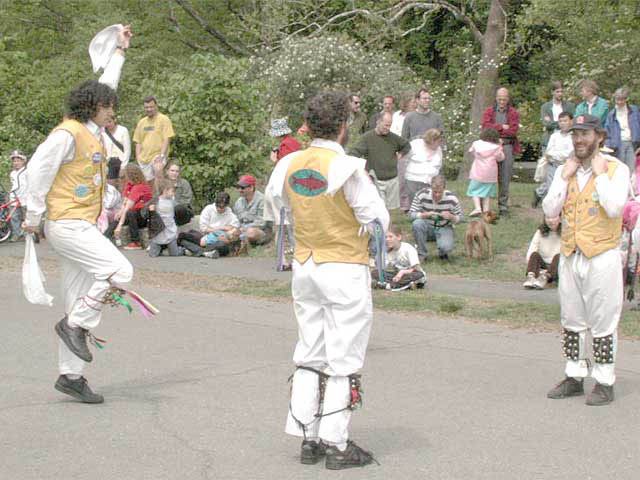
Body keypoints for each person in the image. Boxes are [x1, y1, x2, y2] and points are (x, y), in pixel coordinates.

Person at [266, 91, 389, 469]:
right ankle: (337, 442)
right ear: (342, 126)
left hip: (305, 263)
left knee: (310, 349)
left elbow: (275, 207)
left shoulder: (288, 163)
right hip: (344, 267)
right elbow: (377, 218)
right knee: (344, 355)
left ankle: (308, 437)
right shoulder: (347, 166)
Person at [23, 25, 133, 404]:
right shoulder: (67, 134)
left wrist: (119, 52)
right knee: (121, 272)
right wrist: (33, 215)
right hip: (67, 223)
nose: (113, 111)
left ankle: (71, 375)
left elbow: (108, 84)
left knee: (78, 295)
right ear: (92, 108)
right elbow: (36, 173)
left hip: (82, 223)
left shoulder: (95, 132)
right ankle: (75, 325)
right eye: (108, 107)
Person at [543, 114, 630, 406]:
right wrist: (564, 176)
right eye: (575, 134)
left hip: (602, 253)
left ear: (599, 137)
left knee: (604, 320)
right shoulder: (566, 171)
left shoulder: (616, 169)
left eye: (585, 134)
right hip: (571, 253)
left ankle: (605, 380)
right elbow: (550, 209)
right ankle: (574, 375)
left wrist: (600, 174)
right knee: (572, 318)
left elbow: (615, 207)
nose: (579, 140)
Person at [350, 111, 411, 210]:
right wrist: (362, 170)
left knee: (390, 213)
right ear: (378, 122)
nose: (388, 128)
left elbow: (406, 145)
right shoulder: (367, 138)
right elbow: (354, 154)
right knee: (377, 210)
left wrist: (400, 155)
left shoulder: (393, 138)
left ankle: (389, 226)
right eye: (386, 125)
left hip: (392, 180)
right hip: (375, 181)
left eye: (389, 125)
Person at [481, 87, 521, 215]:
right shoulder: (489, 111)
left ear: (508, 99)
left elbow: (513, 131)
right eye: (500, 99)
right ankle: (484, 206)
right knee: (487, 176)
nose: (502, 101)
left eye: (504, 99)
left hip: (507, 146)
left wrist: (496, 130)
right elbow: (486, 127)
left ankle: (503, 206)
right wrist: (502, 127)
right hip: (490, 146)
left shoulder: (513, 113)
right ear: (496, 98)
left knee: (505, 177)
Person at [410, 175, 462, 262]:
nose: (437, 194)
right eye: (434, 192)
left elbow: (461, 218)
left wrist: (451, 217)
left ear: (444, 189)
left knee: (446, 247)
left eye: (440, 192)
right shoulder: (421, 194)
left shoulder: (452, 198)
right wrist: (423, 215)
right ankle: (422, 254)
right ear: (430, 188)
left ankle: (443, 252)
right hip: (427, 226)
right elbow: (411, 213)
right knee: (417, 224)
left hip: (444, 227)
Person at [178, 191, 240, 258]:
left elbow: (235, 228)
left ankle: (196, 251)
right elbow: (204, 228)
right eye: (218, 206)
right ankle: (204, 252)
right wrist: (221, 228)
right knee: (182, 237)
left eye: (222, 207)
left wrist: (225, 236)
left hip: (219, 240)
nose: (220, 209)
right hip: (204, 236)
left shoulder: (230, 214)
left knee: (223, 246)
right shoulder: (208, 209)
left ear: (227, 205)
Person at [533, 112, 574, 207]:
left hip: (567, 167)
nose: (563, 123)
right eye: (560, 121)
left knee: (565, 191)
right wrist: (556, 155)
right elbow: (548, 152)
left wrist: (555, 155)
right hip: (553, 167)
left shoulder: (573, 136)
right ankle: (548, 216)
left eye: (565, 121)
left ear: (571, 121)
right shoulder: (555, 136)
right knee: (552, 192)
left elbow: (570, 154)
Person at [109, 163, 152, 249]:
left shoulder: (139, 187)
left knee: (129, 213)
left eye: (125, 175)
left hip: (143, 216)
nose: (124, 178)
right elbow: (124, 203)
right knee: (118, 216)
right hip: (133, 214)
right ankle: (106, 237)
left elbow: (127, 208)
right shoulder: (129, 185)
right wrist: (120, 212)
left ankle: (135, 242)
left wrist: (119, 226)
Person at [132, 95, 175, 181]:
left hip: (157, 156)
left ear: (156, 106)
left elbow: (167, 138)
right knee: (147, 184)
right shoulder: (142, 122)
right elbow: (138, 142)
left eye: (151, 107)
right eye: (146, 107)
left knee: (158, 174)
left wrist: (162, 155)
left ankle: (161, 193)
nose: (149, 109)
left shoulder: (164, 119)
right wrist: (138, 158)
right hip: (144, 159)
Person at [371, 224, 426, 290]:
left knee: (418, 274)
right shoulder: (385, 252)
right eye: (385, 237)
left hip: (410, 274)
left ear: (399, 237)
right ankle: (405, 285)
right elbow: (381, 269)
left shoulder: (408, 249)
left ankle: (388, 286)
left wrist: (402, 272)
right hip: (396, 276)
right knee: (375, 273)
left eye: (390, 237)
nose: (387, 239)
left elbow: (417, 269)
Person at [466, 128, 504, 216]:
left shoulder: (477, 144)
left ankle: (478, 208)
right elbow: (501, 158)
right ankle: (486, 210)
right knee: (487, 193)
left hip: (477, 172)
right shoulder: (496, 147)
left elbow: (471, 151)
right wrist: (500, 145)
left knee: (474, 191)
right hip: (490, 174)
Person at [604, 87, 640, 171]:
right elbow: (607, 132)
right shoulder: (611, 114)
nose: (619, 102)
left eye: (622, 99)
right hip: (617, 145)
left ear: (626, 99)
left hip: (632, 143)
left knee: (632, 168)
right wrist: (609, 147)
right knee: (620, 168)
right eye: (617, 99)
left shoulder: (634, 111)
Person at [405, 128, 443, 205]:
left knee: (429, 203)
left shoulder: (438, 149)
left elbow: (439, 165)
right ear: (432, 140)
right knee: (415, 203)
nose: (439, 144)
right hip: (414, 180)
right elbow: (405, 159)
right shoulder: (415, 144)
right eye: (438, 141)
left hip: (430, 181)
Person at [147, 179, 183, 257]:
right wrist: (151, 210)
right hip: (159, 230)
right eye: (172, 191)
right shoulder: (156, 201)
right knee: (153, 254)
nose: (173, 194)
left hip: (170, 230)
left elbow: (179, 210)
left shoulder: (172, 201)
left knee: (175, 253)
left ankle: (182, 249)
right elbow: (146, 214)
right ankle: (159, 248)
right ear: (164, 191)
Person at [523, 216, 561, 289]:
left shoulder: (566, 231)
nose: (550, 221)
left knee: (559, 256)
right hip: (543, 264)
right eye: (548, 218)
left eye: (553, 218)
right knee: (534, 255)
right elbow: (532, 248)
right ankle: (531, 277)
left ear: (560, 219)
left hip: (557, 266)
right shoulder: (540, 231)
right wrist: (530, 264)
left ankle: (544, 278)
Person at [233, 174, 270, 247]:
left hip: (261, 231)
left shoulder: (262, 200)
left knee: (251, 232)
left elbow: (261, 222)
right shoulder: (238, 202)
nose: (240, 190)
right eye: (238, 187)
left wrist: (243, 229)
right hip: (242, 230)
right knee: (230, 233)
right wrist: (235, 229)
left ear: (251, 187)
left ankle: (244, 245)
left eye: (242, 187)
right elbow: (236, 220)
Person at [153, 161, 193, 226]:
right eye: (172, 171)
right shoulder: (161, 183)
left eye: (177, 171)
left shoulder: (184, 183)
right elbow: (156, 198)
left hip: (180, 211)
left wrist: (172, 205)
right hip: (164, 209)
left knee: (179, 209)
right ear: (167, 171)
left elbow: (186, 201)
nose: (174, 173)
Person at [540, 81, 575, 151]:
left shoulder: (570, 106)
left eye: (562, 92)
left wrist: (553, 122)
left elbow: (572, 123)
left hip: (566, 140)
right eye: (557, 92)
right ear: (552, 92)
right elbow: (547, 125)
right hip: (549, 140)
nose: (560, 94)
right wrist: (564, 123)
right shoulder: (545, 107)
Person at [103, 115, 131, 188]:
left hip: (121, 160)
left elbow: (127, 149)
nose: (108, 124)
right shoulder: (103, 132)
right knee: (110, 185)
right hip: (109, 161)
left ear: (114, 120)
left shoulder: (123, 130)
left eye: (110, 122)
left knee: (122, 184)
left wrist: (123, 166)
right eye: (106, 122)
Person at [8, 149, 28, 242]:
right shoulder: (12, 173)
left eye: (18, 161)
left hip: (25, 197)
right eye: (14, 161)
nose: (16, 163)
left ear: (23, 161)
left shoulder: (27, 171)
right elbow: (13, 185)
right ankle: (17, 234)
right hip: (14, 198)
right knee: (13, 216)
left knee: (26, 217)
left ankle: (28, 234)